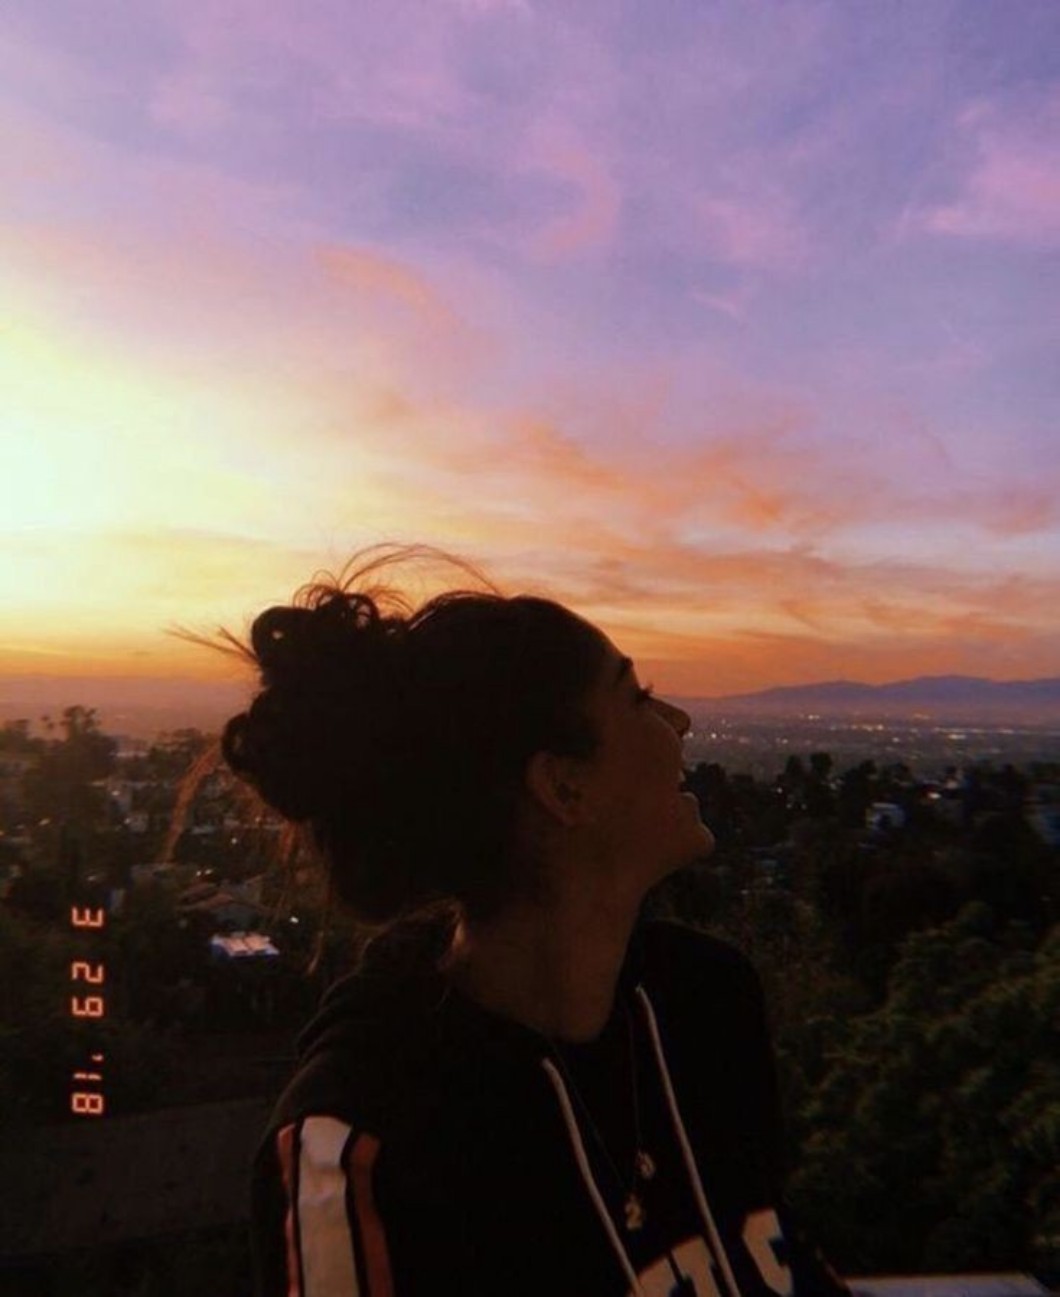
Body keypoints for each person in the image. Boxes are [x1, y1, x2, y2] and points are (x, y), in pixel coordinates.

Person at [219, 544, 848, 1297]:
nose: (678, 721)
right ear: (563, 786)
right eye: (639, 698)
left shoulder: (706, 1003)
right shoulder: (369, 1143)